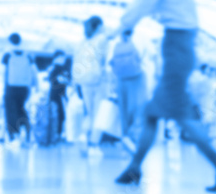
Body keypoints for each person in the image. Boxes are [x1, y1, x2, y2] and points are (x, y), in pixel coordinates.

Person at [111, 0, 216, 192]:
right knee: (154, 112)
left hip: (176, 46)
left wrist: (124, 27)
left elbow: (143, 4)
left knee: (178, 115)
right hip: (183, 45)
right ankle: (134, 168)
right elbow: (165, 7)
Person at [72, 16, 110, 156]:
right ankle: (94, 146)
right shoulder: (102, 40)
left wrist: (75, 82)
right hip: (98, 80)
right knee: (100, 114)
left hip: (83, 81)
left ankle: (83, 135)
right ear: (99, 26)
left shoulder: (81, 43)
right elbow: (106, 61)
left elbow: (75, 63)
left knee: (89, 112)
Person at [109, 29, 146, 152]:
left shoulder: (115, 45)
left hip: (121, 78)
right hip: (136, 77)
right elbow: (142, 59)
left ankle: (125, 137)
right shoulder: (140, 40)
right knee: (136, 107)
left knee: (123, 108)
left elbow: (111, 63)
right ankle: (133, 137)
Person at [2, 33, 36, 147]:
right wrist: (33, 86)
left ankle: (13, 136)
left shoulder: (8, 55)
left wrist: (3, 87)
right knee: (21, 108)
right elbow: (33, 71)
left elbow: (4, 72)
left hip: (10, 87)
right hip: (24, 87)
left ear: (10, 42)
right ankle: (27, 130)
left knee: (11, 110)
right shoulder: (27, 55)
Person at [48, 50, 71, 140]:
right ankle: (56, 134)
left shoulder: (64, 68)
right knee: (57, 114)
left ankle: (59, 133)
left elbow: (67, 80)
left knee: (62, 115)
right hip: (55, 95)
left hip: (62, 95)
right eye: (62, 57)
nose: (64, 59)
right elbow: (53, 80)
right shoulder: (54, 68)